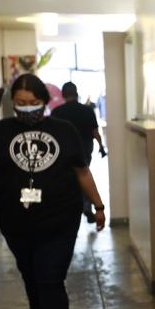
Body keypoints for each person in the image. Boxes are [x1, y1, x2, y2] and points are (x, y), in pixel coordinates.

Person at [0, 74, 107, 309]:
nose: (27, 109)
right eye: (20, 104)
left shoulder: (64, 130)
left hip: (61, 217)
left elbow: (82, 172)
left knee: (50, 276)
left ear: (45, 103)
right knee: (31, 274)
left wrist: (98, 206)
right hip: (14, 219)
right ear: (12, 104)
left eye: (33, 104)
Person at [52, 81, 108, 222]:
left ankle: (69, 207)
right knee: (83, 175)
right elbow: (95, 132)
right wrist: (101, 146)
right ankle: (86, 205)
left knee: (68, 178)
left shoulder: (57, 112)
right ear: (76, 94)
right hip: (84, 150)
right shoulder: (87, 110)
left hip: (63, 152)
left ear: (63, 95)